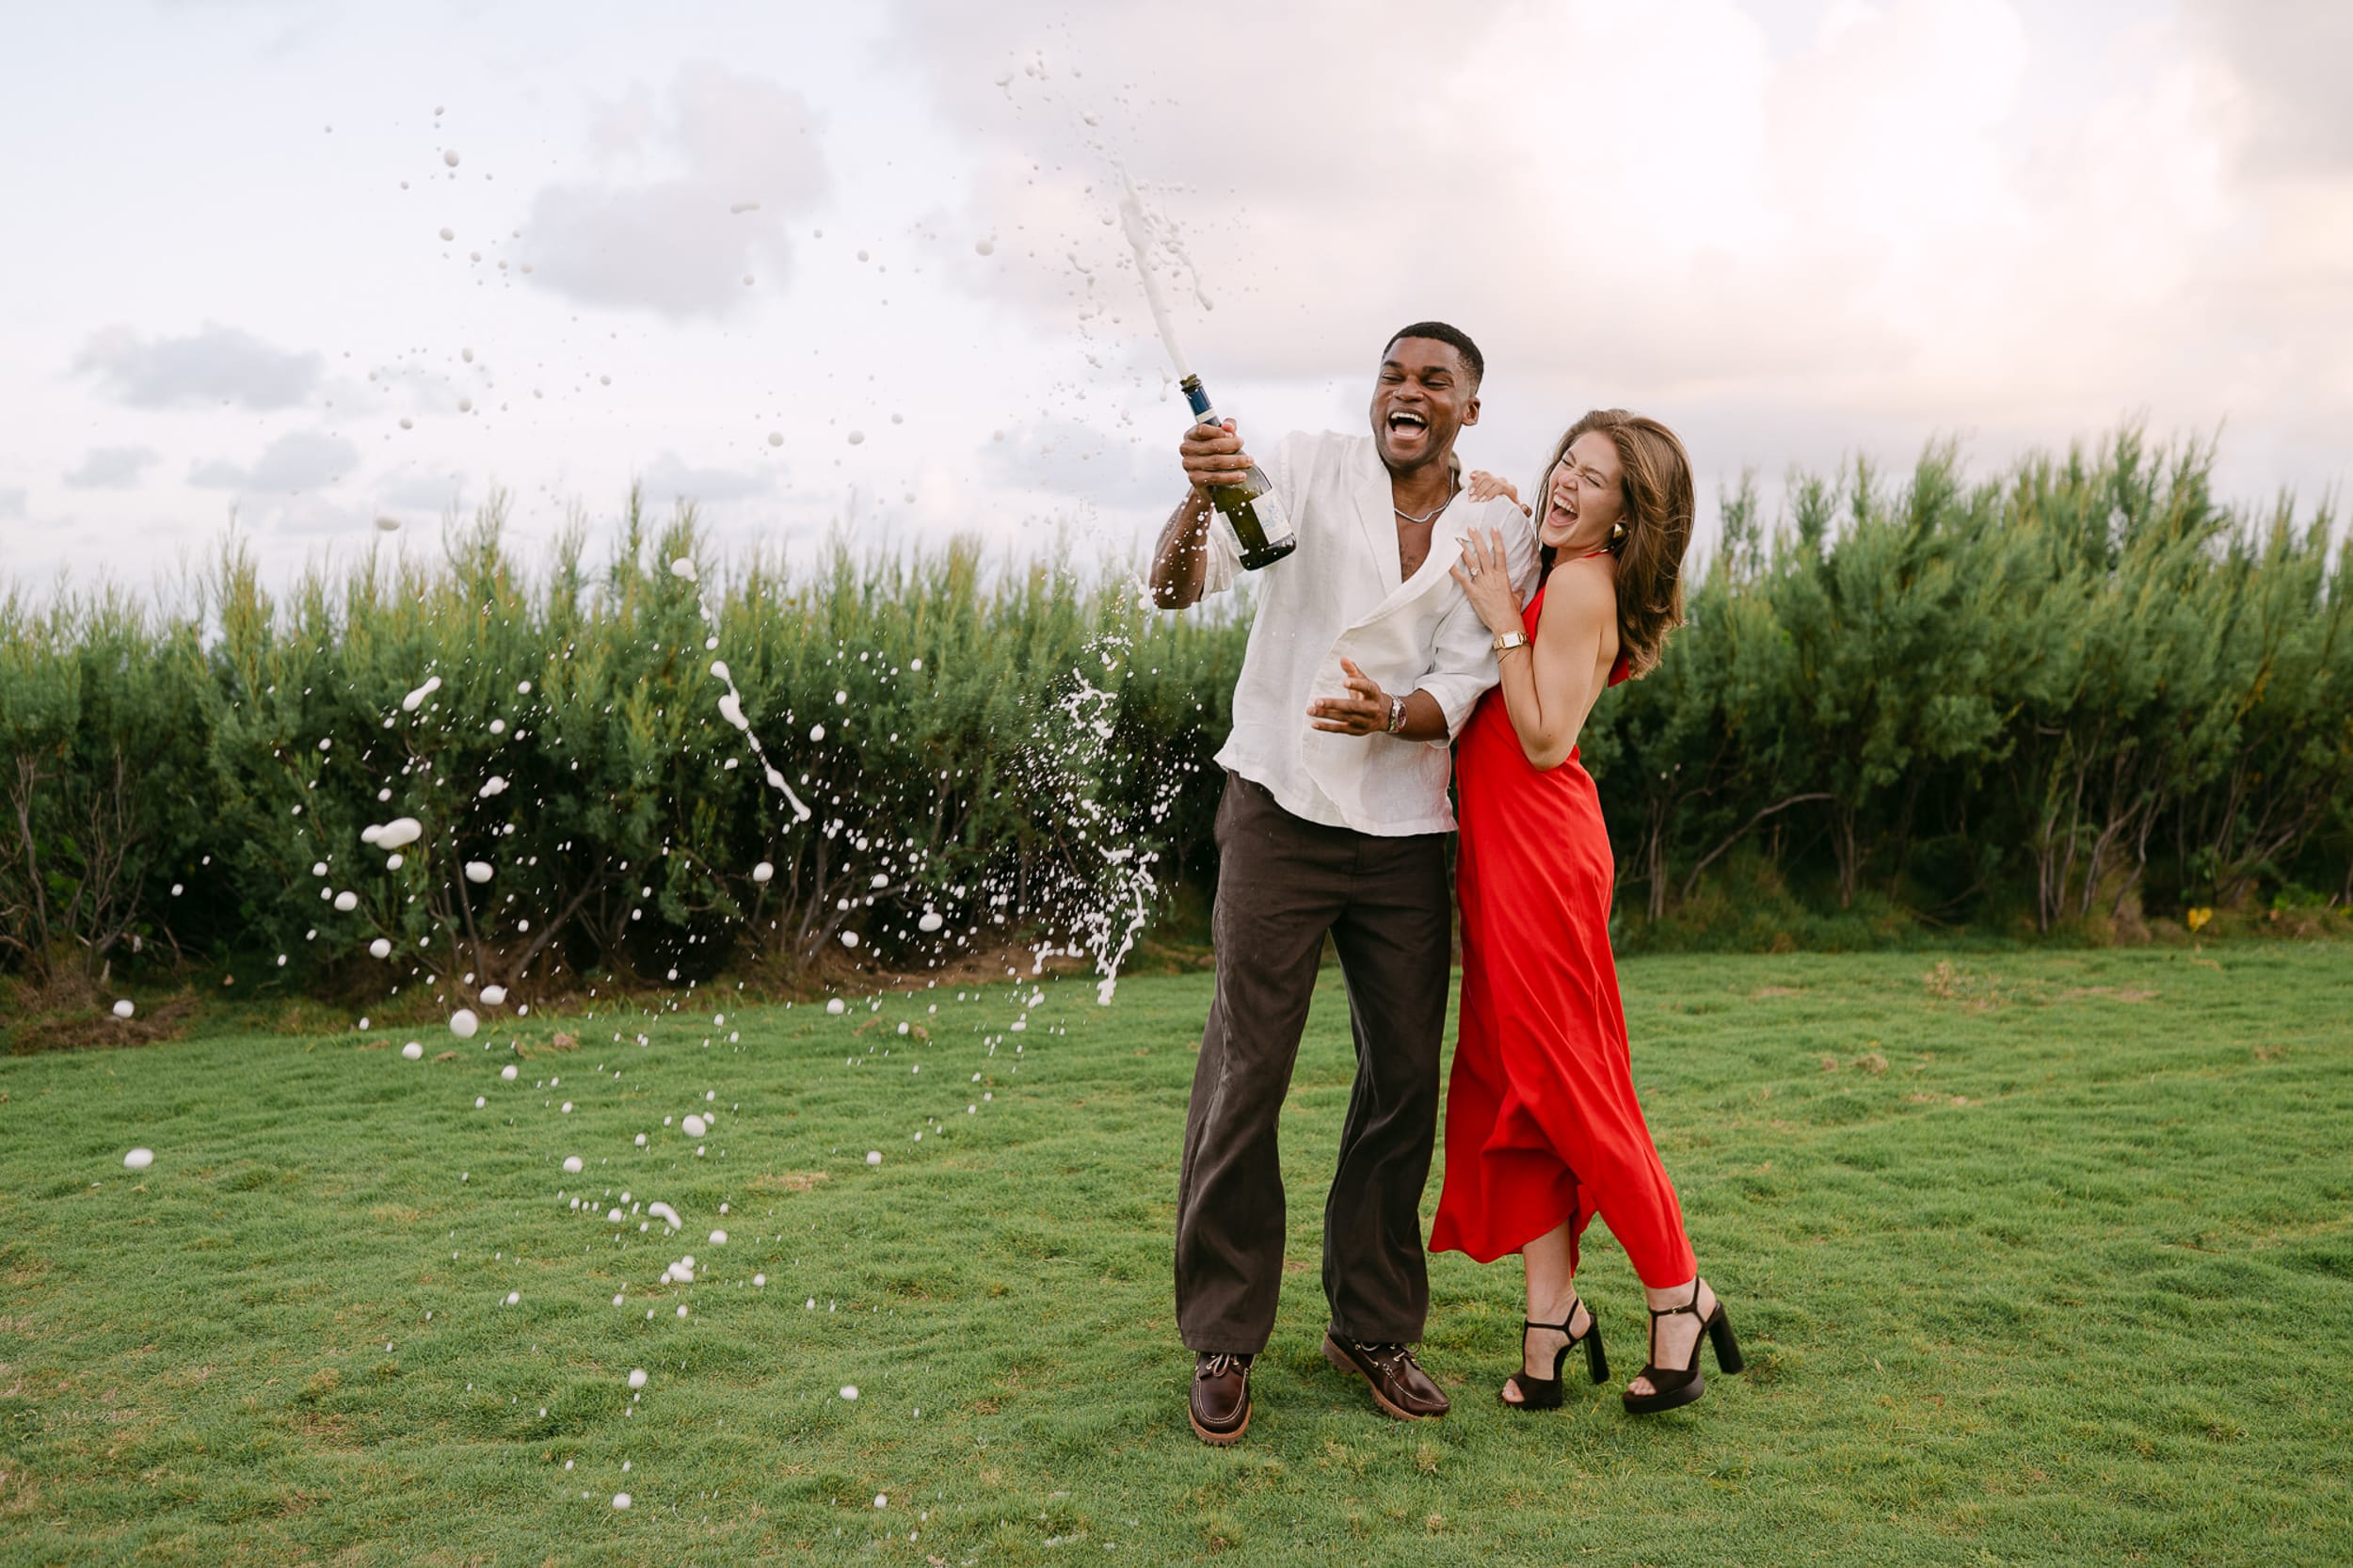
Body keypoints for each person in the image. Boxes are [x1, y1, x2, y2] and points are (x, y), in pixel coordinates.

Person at [1152, 323, 1538, 1445]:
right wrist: (1198, 500)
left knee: (1402, 1082)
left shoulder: (1498, 525)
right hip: (1277, 802)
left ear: (1469, 409)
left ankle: (1369, 1325)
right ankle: (1223, 1334)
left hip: (1408, 827)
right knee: (1247, 1071)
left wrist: (1394, 716)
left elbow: (1468, 680)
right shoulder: (1305, 465)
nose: (1405, 391)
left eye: (1434, 381)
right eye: (1392, 373)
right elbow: (1186, 585)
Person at [1430, 409, 1744, 1416]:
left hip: (1540, 859)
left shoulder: (1576, 584)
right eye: (1566, 460)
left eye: (1594, 479)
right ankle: (1548, 1322)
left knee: (1571, 1086)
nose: (1567, 481)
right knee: (1507, 1084)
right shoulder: (1560, 567)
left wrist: (1497, 611)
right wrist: (1504, 516)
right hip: (1504, 857)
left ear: (1627, 515)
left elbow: (1542, 737)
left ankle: (1677, 1293)